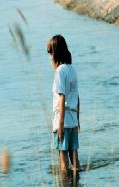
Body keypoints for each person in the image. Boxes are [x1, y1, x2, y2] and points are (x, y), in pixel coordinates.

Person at [47, 35, 80, 175]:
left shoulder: (59, 71)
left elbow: (61, 98)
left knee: (63, 164)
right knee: (75, 162)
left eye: (50, 54)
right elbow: (78, 97)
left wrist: (59, 126)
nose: (49, 59)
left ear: (55, 54)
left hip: (62, 119)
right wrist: (79, 121)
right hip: (72, 119)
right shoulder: (72, 69)